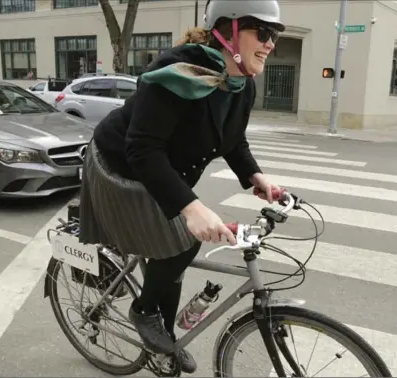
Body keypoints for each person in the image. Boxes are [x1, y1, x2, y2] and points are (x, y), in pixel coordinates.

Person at [77, 0, 285, 374]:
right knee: (183, 240)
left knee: (173, 255)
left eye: (275, 36)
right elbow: (142, 148)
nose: (271, 44)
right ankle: (142, 312)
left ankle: (163, 340)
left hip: (163, 170)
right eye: (264, 33)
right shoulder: (177, 75)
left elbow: (233, 140)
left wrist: (256, 176)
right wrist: (191, 208)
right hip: (122, 164)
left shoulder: (242, 85)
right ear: (230, 31)